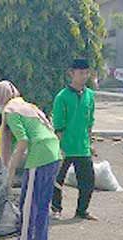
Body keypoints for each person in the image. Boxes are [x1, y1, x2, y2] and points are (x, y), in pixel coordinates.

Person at [0, 80, 62, 240]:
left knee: (28, 202)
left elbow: (22, 141)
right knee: (43, 201)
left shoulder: (10, 110)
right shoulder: (26, 105)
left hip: (40, 154)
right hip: (54, 152)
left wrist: (10, 172)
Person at [51, 58, 98, 221]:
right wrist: (59, 147)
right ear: (72, 73)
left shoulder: (90, 95)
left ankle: (81, 210)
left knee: (88, 181)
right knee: (57, 180)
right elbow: (58, 125)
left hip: (82, 146)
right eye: (81, 73)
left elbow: (90, 122)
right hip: (65, 147)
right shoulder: (62, 97)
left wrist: (90, 143)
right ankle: (56, 209)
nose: (84, 76)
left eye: (87, 73)